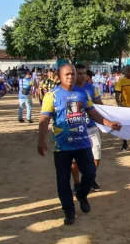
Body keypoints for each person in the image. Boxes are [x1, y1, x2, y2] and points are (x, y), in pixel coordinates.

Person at [38, 64, 121, 225]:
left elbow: (93, 113)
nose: (71, 77)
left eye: (73, 74)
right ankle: (69, 211)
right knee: (63, 181)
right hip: (62, 146)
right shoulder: (51, 96)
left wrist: (108, 123)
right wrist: (41, 140)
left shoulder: (83, 93)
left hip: (82, 143)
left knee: (90, 173)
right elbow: (44, 119)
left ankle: (82, 195)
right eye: (67, 74)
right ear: (60, 76)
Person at [72, 66, 104, 193]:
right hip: (74, 130)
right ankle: (77, 183)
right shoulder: (69, 89)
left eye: (84, 73)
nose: (81, 76)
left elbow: (100, 105)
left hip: (91, 127)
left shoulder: (93, 89)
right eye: (78, 73)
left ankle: (90, 178)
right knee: (74, 159)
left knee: (96, 156)